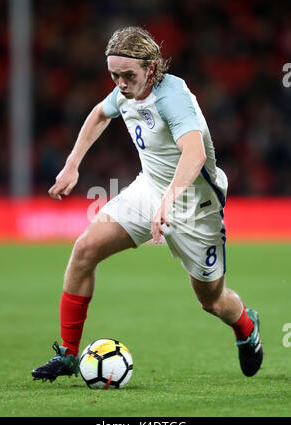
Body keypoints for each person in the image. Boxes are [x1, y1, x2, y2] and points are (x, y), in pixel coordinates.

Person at [32, 26, 262, 382]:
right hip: (149, 191)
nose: (121, 84)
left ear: (152, 68)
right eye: (114, 75)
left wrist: (169, 203)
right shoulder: (127, 90)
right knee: (84, 249)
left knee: (212, 301)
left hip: (195, 208)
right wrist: (73, 163)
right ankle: (67, 354)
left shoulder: (172, 97)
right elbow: (99, 114)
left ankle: (246, 324)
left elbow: (195, 152)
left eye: (127, 76)